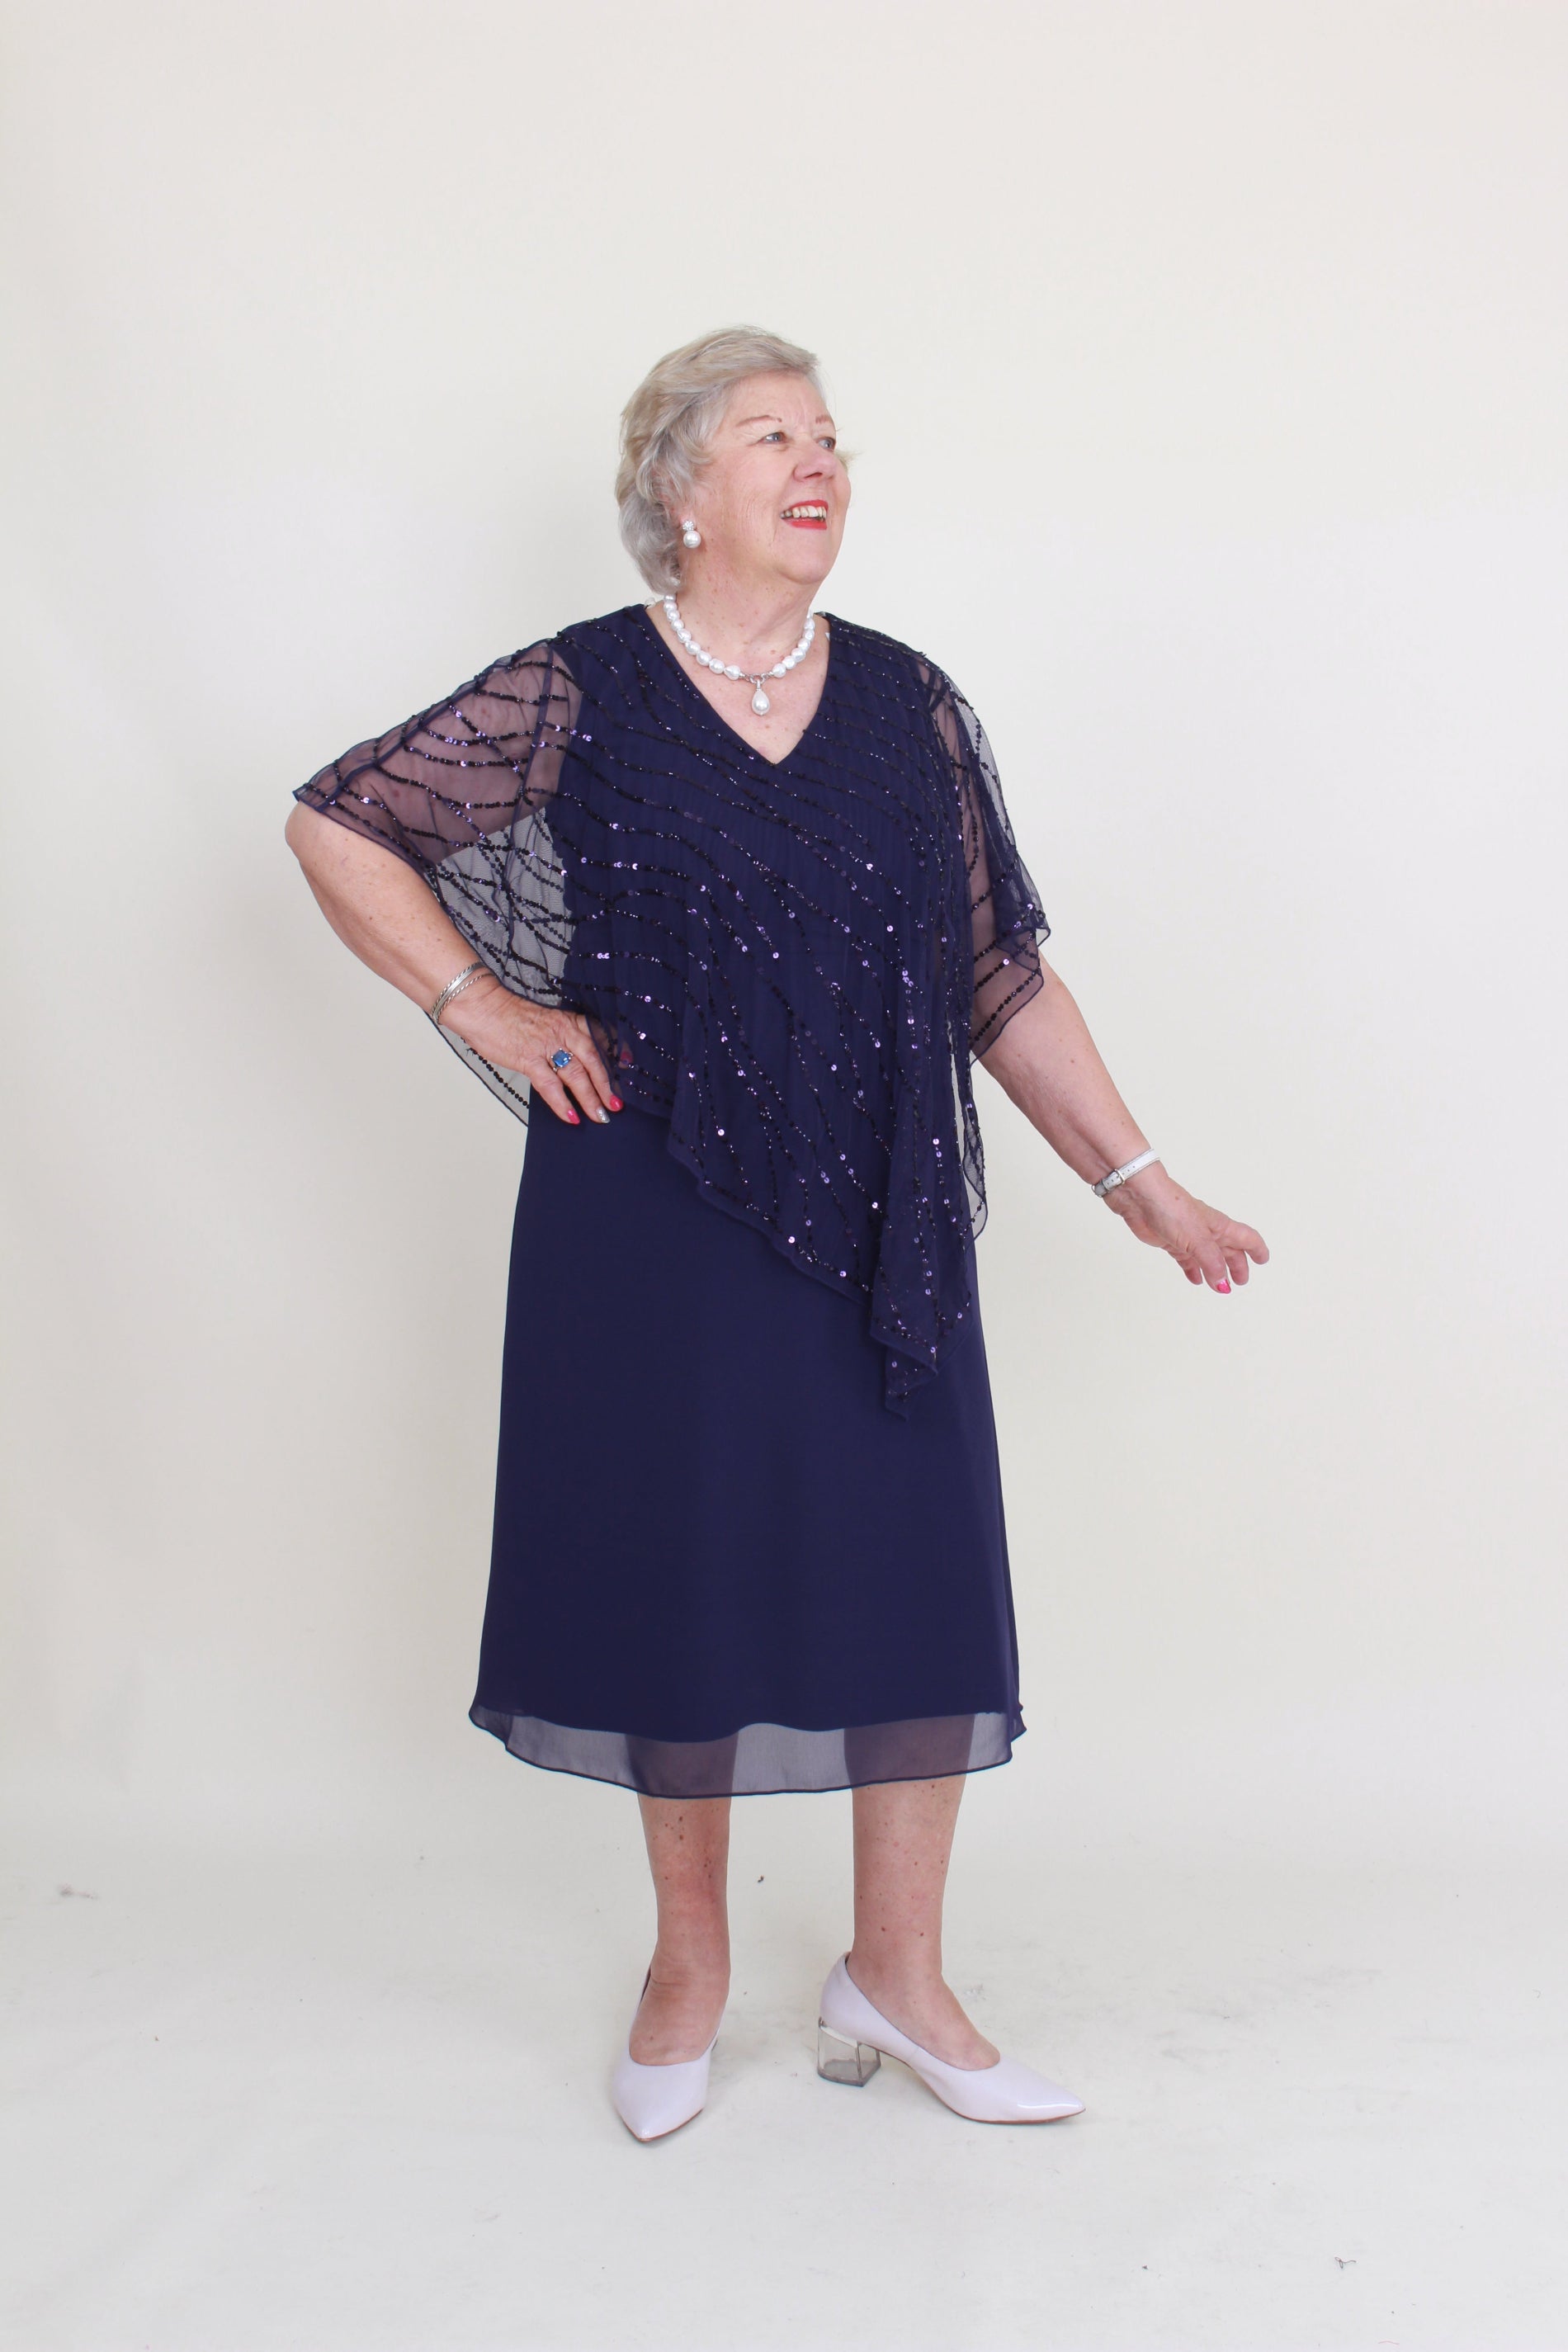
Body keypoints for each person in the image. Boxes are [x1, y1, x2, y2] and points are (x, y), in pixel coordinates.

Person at [284, 324, 1268, 2142]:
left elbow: (995, 976)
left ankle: (898, 1977)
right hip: (643, 1209)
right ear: (677, 490)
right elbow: (340, 825)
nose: (816, 464)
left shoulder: (906, 703)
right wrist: (480, 1006)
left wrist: (1144, 1184)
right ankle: (687, 1969)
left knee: (911, 1578)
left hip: (886, 1210)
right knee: (683, 1577)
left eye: (828, 440)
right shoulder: (580, 686)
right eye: (768, 437)